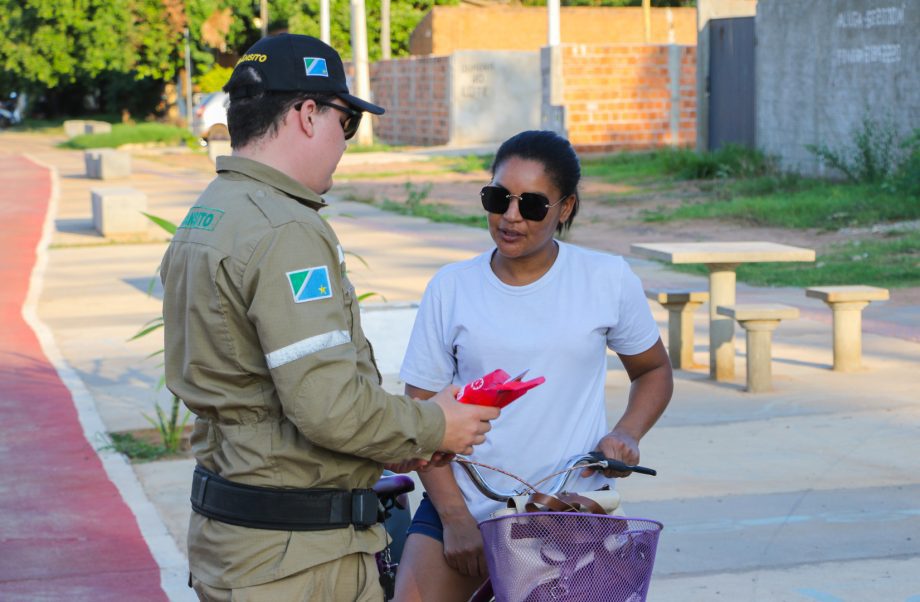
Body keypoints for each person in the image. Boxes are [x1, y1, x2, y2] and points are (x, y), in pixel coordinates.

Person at [159, 34, 500, 602]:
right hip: (298, 561)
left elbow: (255, 394)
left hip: (239, 542)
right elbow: (328, 406)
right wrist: (438, 424)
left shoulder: (212, 212)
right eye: (348, 123)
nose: (346, 143)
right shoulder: (285, 228)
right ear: (307, 114)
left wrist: (391, 441)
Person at [393, 130, 674, 601]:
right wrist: (457, 520)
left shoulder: (606, 278)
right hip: (463, 501)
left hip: (570, 510)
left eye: (533, 205)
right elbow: (421, 412)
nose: (510, 216)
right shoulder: (451, 288)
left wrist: (627, 434)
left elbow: (653, 371)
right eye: (498, 197)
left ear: (565, 208)